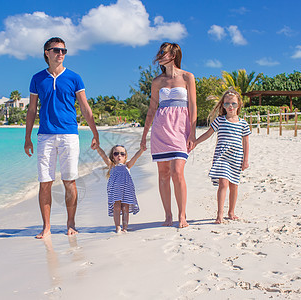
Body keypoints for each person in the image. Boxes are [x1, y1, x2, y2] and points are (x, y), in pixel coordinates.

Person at [24, 37, 99, 239]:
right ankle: (46, 227)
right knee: (45, 182)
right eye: (56, 50)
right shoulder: (37, 78)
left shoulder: (75, 78)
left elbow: (85, 107)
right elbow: (32, 110)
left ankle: (71, 223)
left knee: (69, 181)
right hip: (45, 137)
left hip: (69, 135)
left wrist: (95, 132)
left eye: (64, 50)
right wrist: (27, 137)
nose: (60, 54)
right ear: (46, 53)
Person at [140, 42, 197, 228]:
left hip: (181, 129)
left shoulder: (188, 77)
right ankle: (167, 215)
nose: (160, 55)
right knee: (163, 174)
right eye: (160, 52)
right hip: (161, 128)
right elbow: (152, 108)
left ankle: (182, 215)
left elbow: (193, 106)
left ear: (173, 55)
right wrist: (144, 135)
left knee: (177, 171)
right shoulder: (157, 81)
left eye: (164, 53)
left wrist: (193, 133)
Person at [193, 88, 251, 224]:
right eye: (226, 104)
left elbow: (246, 142)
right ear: (223, 106)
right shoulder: (219, 120)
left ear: (239, 105)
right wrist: (195, 142)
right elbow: (208, 134)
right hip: (222, 156)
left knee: (234, 185)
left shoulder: (243, 123)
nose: (230, 106)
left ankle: (231, 212)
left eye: (233, 104)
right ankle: (219, 214)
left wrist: (246, 160)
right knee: (223, 183)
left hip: (236, 157)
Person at [95, 144, 144, 233]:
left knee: (125, 207)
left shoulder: (127, 166)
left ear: (125, 157)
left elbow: (136, 157)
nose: (119, 156)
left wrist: (141, 150)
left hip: (127, 189)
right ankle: (117, 226)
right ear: (113, 157)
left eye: (122, 154)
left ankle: (125, 227)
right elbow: (103, 156)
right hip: (115, 190)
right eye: (116, 153)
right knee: (116, 207)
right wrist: (97, 147)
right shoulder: (111, 166)